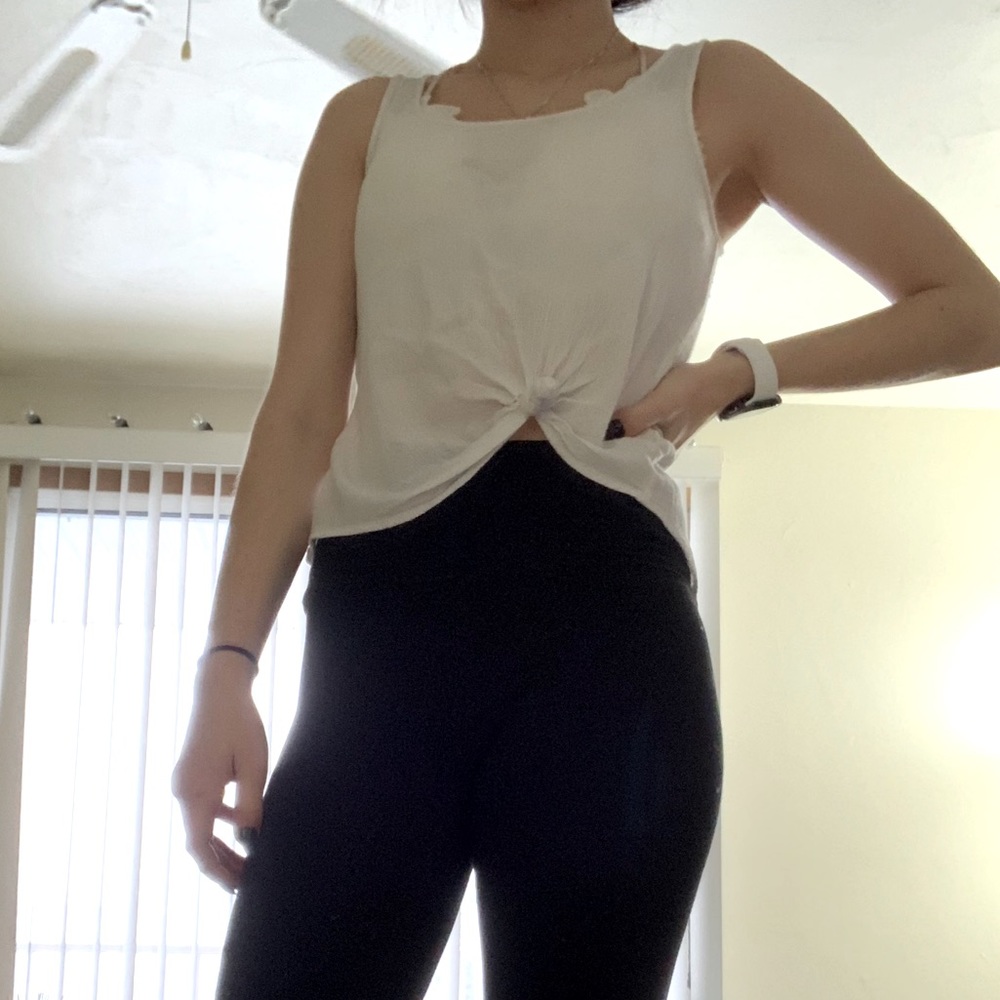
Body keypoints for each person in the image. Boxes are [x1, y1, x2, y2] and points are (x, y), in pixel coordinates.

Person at [171, 0, 1000, 996]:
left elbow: (972, 310)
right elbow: (303, 412)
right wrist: (226, 669)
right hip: (378, 645)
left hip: (609, 654)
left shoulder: (715, 90)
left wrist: (736, 372)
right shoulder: (366, 122)